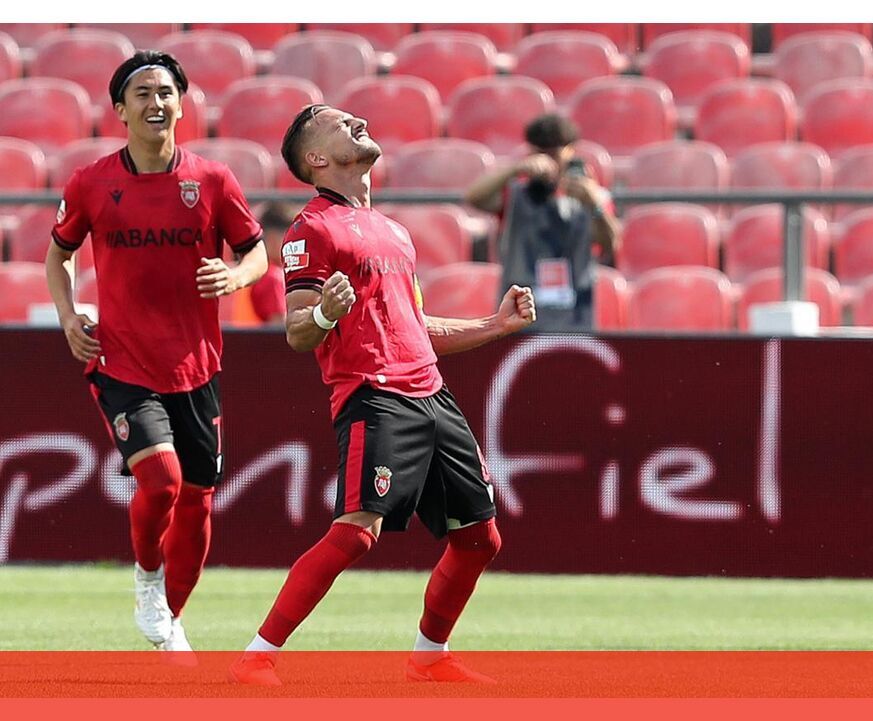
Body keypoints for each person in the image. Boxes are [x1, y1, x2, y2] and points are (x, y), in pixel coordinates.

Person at [228, 104, 536, 686]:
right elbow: (297, 330)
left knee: (480, 539)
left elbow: (415, 328)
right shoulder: (312, 229)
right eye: (336, 122)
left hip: (432, 393)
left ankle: (430, 656)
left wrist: (495, 325)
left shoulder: (393, 231)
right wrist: (325, 312)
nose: (357, 122)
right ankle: (258, 656)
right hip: (376, 395)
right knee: (357, 531)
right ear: (316, 158)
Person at [44, 51, 268, 653]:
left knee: (197, 503)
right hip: (121, 359)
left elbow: (256, 252)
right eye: (141, 93)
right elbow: (58, 256)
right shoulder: (91, 183)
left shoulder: (213, 180)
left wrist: (235, 277)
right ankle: (147, 581)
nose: (156, 102)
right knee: (163, 481)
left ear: (182, 105)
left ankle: (172, 620)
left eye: (166, 92)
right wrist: (68, 316)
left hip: (196, 365)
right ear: (120, 110)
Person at [465, 113, 619, 332]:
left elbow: (610, 242)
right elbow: (475, 197)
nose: (547, 161)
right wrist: (515, 169)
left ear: (570, 151)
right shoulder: (516, 193)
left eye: (553, 154)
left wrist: (594, 205)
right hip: (521, 312)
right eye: (540, 153)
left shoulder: (591, 196)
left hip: (575, 313)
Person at [247, 202, 295, 324]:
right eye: (290, 238)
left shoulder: (261, 272)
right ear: (272, 239)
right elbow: (279, 328)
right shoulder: (273, 277)